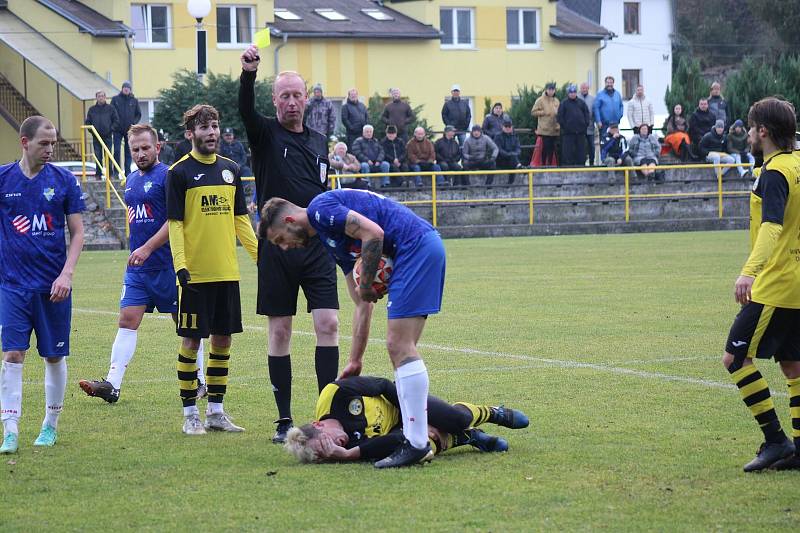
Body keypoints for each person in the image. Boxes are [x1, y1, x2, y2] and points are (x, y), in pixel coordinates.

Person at [260, 188, 447, 468]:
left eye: (280, 240)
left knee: (400, 347)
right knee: (401, 352)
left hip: (415, 246)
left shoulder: (320, 210)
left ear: (289, 221)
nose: (285, 247)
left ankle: (416, 444)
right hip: (420, 248)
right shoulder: (330, 238)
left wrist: (366, 281)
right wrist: (354, 360)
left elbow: (374, 234)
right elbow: (362, 304)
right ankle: (414, 439)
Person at [239, 46, 341, 443]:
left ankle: (326, 416)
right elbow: (245, 110)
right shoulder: (264, 133)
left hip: (316, 249)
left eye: (298, 94)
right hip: (277, 250)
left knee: (328, 324)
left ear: (306, 98)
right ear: (275, 100)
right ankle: (283, 421)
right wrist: (248, 74)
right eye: (285, 95)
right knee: (280, 331)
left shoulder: (319, 140)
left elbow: (323, 191)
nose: (292, 101)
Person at [78, 123, 206, 403]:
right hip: (139, 269)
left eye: (146, 147)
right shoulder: (131, 180)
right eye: (135, 149)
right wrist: (138, 250)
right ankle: (112, 384)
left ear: (157, 147)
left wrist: (147, 247)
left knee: (184, 324)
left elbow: (176, 221)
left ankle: (199, 379)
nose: (140, 153)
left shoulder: (170, 176)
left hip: (170, 266)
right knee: (127, 320)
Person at [165, 104, 258, 435]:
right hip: (195, 276)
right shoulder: (178, 173)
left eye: (215, 126)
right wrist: (180, 264)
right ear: (191, 133)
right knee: (191, 343)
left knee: (223, 341)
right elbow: (175, 224)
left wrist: (262, 257)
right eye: (204, 128)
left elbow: (241, 221)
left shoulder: (231, 170)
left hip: (226, 273)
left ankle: (216, 412)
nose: (212, 133)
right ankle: (190, 414)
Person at [721, 97, 800, 472]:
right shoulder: (798, 164)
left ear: (763, 132)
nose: (749, 134)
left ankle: (775, 440)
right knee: (793, 366)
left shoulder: (774, 174)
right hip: (796, 284)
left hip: (776, 283)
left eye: (752, 128)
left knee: (735, 358)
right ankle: (799, 449)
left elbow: (772, 226)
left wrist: (749, 272)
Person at [0, 116, 85, 453]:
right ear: (24, 142)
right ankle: (10, 428)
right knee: (13, 354)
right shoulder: (4, 179)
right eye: (43, 143)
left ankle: (50, 425)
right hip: (13, 285)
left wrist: (66, 274)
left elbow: (78, 232)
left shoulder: (64, 180)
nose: (50, 149)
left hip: (53, 287)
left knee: (52, 356)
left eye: (53, 143)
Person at [284, 376, 529, 463]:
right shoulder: (343, 449)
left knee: (456, 418)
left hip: (401, 400)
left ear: (317, 425)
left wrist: (413, 412)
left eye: (327, 441)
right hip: (399, 427)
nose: (337, 443)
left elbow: (382, 384)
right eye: (329, 450)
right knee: (418, 448)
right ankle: (467, 438)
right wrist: (347, 454)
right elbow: (399, 439)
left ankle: (492, 412)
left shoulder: (334, 395)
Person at [84, 90, 119, 179]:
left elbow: (116, 121)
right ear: (96, 97)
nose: (101, 97)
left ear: (105, 97)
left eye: (103, 96)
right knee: (98, 156)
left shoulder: (111, 108)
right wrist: (92, 131)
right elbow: (88, 122)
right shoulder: (92, 109)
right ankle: (98, 175)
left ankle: (110, 175)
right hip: (96, 137)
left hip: (107, 136)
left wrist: (111, 130)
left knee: (108, 156)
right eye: (99, 96)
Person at [111, 81, 141, 177]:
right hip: (117, 130)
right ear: (122, 89)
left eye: (128, 88)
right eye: (125, 88)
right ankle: (116, 171)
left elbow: (138, 114)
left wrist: (133, 123)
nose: (126, 89)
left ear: (130, 90)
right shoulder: (115, 99)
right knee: (116, 151)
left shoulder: (134, 100)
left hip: (129, 130)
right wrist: (114, 125)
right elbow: (111, 112)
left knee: (128, 151)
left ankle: (127, 172)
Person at [557, 84, 590, 167]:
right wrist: (566, 128)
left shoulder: (581, 103)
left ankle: (581, 166)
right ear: (568, 93)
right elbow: (560, 117)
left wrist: (584, 126)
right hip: (568, 133)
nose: (572, 94)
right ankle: (567, 167)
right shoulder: (564, 103)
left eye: (574, 92)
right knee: (567, 152)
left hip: (580, 133)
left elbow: (587, 115)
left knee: (581, 152)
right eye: (571, 92)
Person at [531, 82, 560, 166]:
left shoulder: (556, 101)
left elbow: (560, 114)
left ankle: (550, 164)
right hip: (544, 129)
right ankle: (543, 165)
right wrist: (543, 112)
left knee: (552, 149)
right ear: (546, 90)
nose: (551, 91)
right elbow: (533, 112)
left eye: (553, 89)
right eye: (549, 89)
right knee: (544, 148)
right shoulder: (540, 100)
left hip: (554, 129)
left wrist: (559, 125)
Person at [494, 119, 523, 184]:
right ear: (502, 127)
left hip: (512, 159)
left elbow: (518, 148)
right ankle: (520, 168)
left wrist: (513, 154)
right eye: (506, 126)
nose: (507, 128)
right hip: (501, 160)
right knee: (512, 158)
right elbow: (499, 150)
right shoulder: (498, 136)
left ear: (512, 127)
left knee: (513, 159)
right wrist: (509, 154)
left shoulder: (515, 136)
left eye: (509, 127)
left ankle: (510, 182)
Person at [577, 83, 596, 165]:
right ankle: (581, 163)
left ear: (588, 89)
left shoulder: (592, 99)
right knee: (581, 147)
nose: (584, 90)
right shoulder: (576, 98)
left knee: (591, 146)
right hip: (579, 128)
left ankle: (592, 162)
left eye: (586, 88)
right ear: (580, 89)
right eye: (582, 88)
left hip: (590, 127)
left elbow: (594, 112)